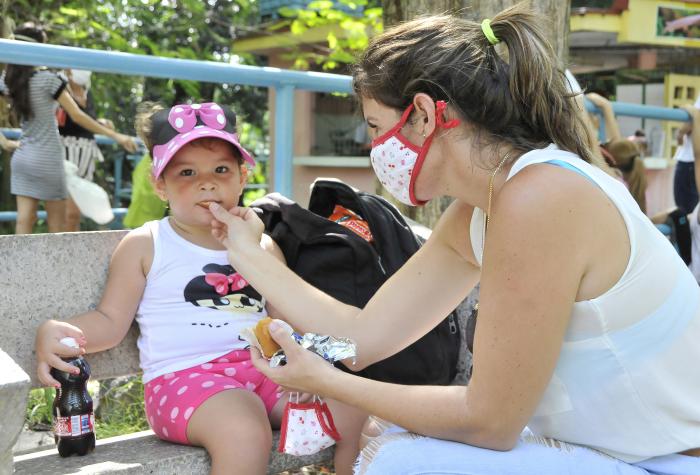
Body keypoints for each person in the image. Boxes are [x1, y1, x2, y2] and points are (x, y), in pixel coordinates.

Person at [208, 5, 700, 474]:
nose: (374, 148)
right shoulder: (485, 208)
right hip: (612, 452)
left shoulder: (541, 198)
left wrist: (330, 382)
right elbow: (363, 339)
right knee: (391, 430)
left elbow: (491, 422)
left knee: (401, 462)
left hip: (670, 463)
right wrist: (252, 254)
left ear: (424, 114)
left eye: (377, 127)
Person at [34, 102, 364, 475]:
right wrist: (61, 333)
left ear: (242, 178)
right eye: (187, 172)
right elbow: (110, 321)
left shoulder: (262, 246)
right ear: (160, 185)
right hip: (184, 381)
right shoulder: (148, 244)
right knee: (243, 429)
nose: (207, 183)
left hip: (265, 372)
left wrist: (307, 368)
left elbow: (286, 318)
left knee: (352, 405)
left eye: (221, 170)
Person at [1, 24, 136, 234]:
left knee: (24, 220)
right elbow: (78, 115)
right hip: (48, 157)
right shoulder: (48, 80)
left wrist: (5, 141)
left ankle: (20, 268)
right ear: (37, 49)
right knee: (58, 227)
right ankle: (57, 267)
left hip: (23, 155)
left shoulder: (7, 81)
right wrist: (115, 135)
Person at [58, 68, 111, 231]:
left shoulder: (88, 91)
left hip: (86, 154)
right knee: (68, 212)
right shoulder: (59, 87)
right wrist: (114, 135)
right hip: (66, 154)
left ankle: (72, 252)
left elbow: (87, 121)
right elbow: (76, 117)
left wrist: (100, 123)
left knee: (75, 215)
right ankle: (62, 252)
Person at [673, 95, 700, 215]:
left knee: (685, 213)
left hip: (689, 162)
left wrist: (679, 133)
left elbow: (694, 118)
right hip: (692, 162)